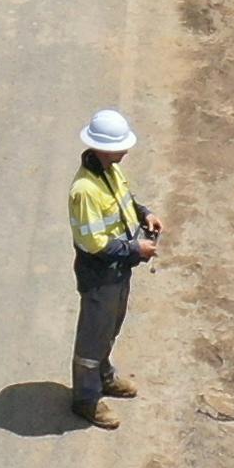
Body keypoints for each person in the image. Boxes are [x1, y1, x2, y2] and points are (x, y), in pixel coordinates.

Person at [67, 108, 164, 427]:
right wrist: (136, 248)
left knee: (111, 326)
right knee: (93, 336)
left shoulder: (110, 171)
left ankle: (104, 376)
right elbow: (94, 243)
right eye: (121, 146)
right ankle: (85, 398)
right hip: (100, 273)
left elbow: (125, 200)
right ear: (104, 148)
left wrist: (144, 214)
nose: (125, 150)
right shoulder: (84, 190)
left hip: (118, 269)